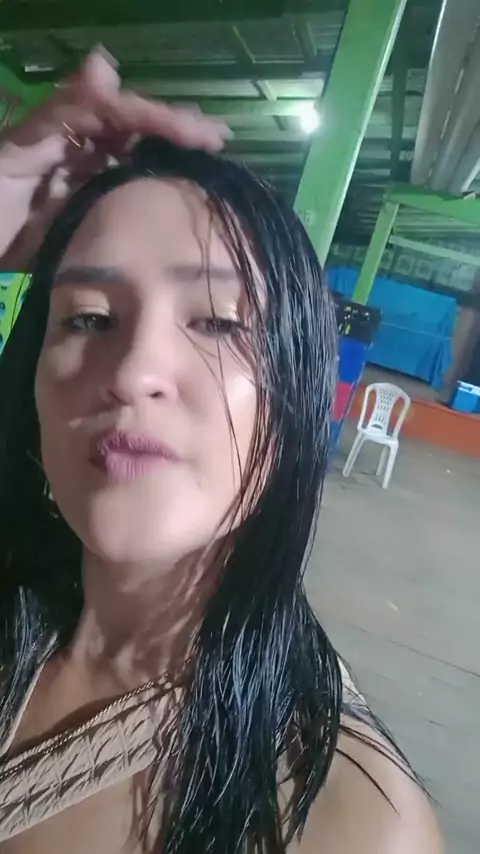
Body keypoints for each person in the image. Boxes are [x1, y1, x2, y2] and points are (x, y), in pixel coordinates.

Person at [0, 49, 442, 854]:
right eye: (89, 318)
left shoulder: (348, 822)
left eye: (217, 322)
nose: (132, 373)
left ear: (295, 392)